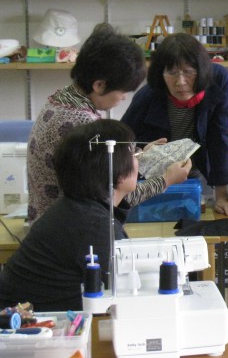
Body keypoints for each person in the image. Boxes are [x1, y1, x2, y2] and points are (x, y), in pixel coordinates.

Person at [0, 120, 190, 311]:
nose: (138, 160)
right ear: (114, 171)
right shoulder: (95, 225)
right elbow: (128, 295)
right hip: (24, 323)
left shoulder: (77, 209)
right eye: (133, 154)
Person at [27, 23, 190, 223]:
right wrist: (166, 179)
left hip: (45, 223)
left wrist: (140, 155)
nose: (123, 98)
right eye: (123, 91)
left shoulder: (60, 100)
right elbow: (114, 197)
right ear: (99, 85)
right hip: (69, 231)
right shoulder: (83, 125)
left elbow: (96, 167)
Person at [122, 33, 228, 216]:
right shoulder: (148, 96)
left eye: (189, 71)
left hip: (193, 167)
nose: (180, 82)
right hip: (153, 175)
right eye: (172, 72)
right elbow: (121, 144)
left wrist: (221, 195)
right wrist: (140, 155)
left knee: (193, 214)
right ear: (161, 73)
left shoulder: (218, 80)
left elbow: (219, 135)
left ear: (201, 70)